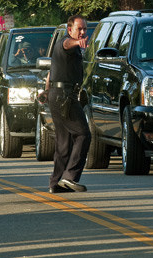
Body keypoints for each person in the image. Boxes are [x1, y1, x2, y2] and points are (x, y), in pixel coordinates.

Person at [40, 14, 91, 193]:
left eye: (85, 29)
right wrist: (77, 42)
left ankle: (55, 183)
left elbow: (51, 71)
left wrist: (46, 92)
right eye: (79, 29)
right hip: (65, 97)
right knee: (83, 134)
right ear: (70, 30)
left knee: (64, 142)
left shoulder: (65, 47)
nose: (83, 32)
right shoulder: (67, 43)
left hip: (56, 94)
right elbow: (68, 44)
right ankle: (70, 177)